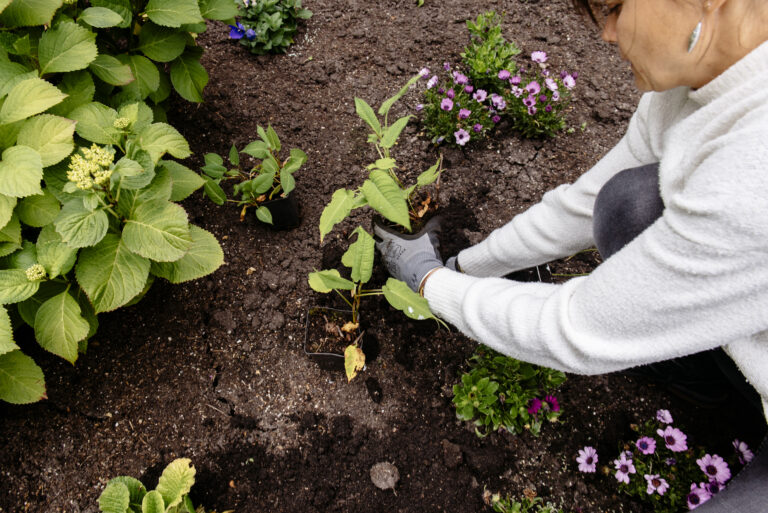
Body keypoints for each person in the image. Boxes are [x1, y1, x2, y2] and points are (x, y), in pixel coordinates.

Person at [374, 0, 768, 510]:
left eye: (614, 8)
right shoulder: (694, 80)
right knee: (629, 202)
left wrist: (429, 283)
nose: (605, 34)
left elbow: (574, 327)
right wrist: (466, 266)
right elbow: (582, 206)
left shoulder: (752, 171)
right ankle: (712, 375)